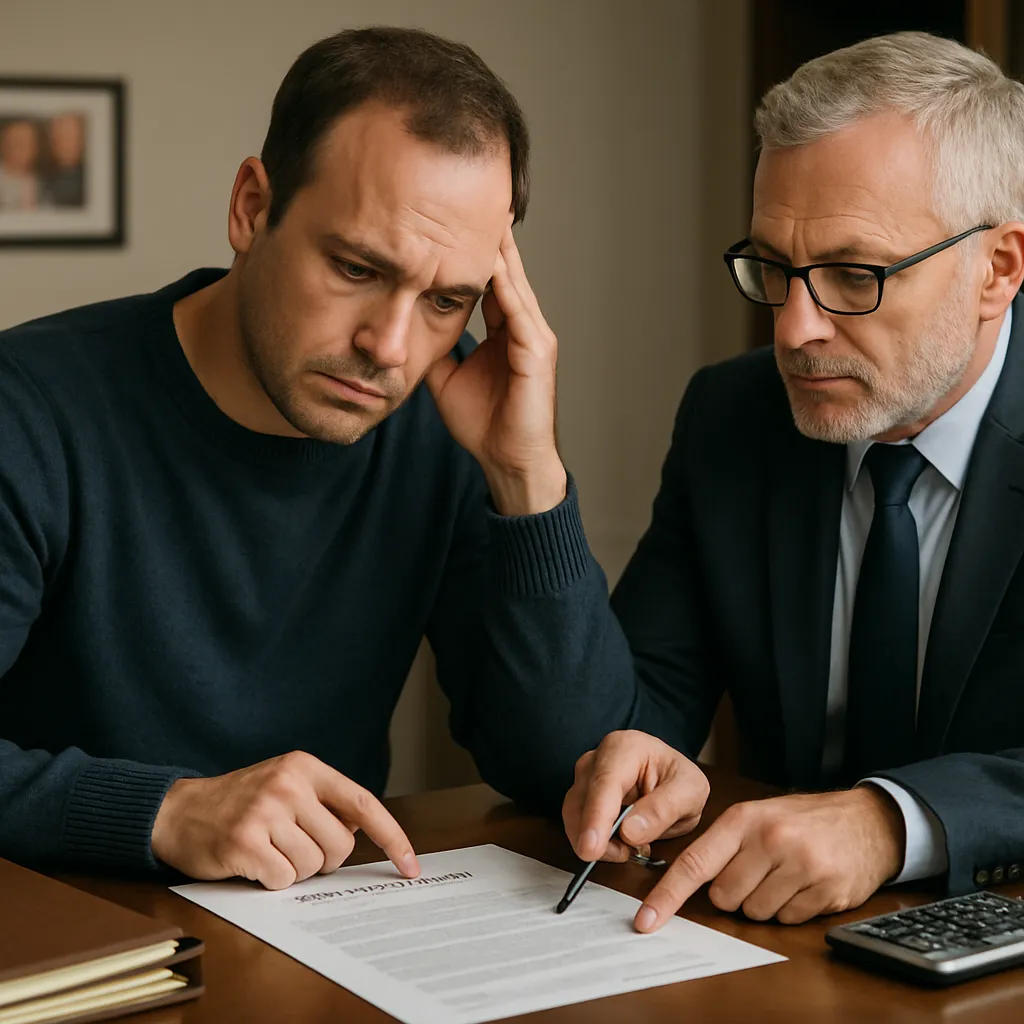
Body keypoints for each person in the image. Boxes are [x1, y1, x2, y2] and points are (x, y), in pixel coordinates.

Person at [0, 27, 621, 889]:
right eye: (358, 268)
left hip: (326, 938)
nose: (391, 348)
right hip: (70, 944)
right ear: (252, 208)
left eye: (447, 300)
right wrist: (165, 810)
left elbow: (560, 767)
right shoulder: (27, 407)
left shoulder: (443, 420)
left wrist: (527, 478)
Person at [561, 32, 1024, 933]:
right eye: (773, 268)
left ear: (997, 270)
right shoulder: (734, 417)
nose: (793, 328)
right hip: (779, 953)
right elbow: (638, 703)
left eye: (855, 274)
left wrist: (894, 822)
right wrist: (639, 756)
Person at [42, 113, 86, 207]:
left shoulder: (91, 178)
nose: (63, 145)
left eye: (69, 138)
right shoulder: (42, 177)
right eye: (57, 137)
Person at [0, 119, 42, 210]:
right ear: (4, 145)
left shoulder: (38, 183)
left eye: (28, 143)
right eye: (18, 142)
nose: (23, 149)